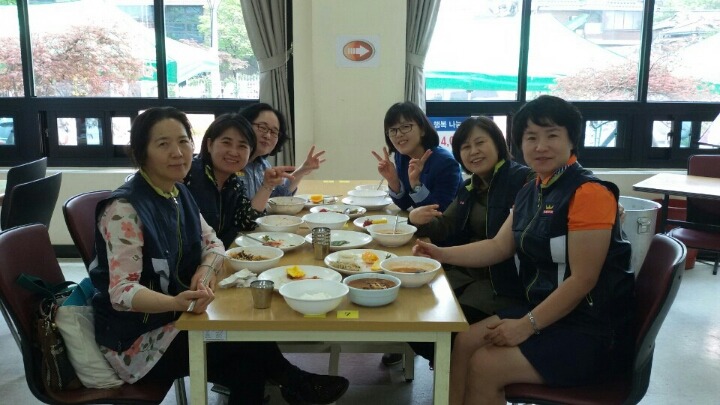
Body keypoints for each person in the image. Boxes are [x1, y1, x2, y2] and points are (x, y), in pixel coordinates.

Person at [89, 107, 348, 405]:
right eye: (163, 144)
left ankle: (296, 385)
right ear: (140, 152)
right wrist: (176, 302)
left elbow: (213, 243)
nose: (177, 153)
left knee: (247, 365)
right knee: (248, 340)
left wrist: (206, 271)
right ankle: (297, 383)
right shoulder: (125, 209)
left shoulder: (178, 193)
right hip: (137, 340)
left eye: (183, 141)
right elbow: (122, 292)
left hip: (179, 317)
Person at [413, 95, 635, 404]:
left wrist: (526, 325)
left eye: (552, 135)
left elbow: (583, 280)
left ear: (572, 140)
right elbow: (497, 246)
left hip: (589, 329)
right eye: (531, 137)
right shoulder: (532, 189)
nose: (540, 146)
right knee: (464, 341)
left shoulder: (588, 193)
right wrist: (439, 254)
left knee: (486, 364)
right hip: (547, 311)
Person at [183, 112, 293, 248]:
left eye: (242, 146)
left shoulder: (233, 183)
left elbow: (247, 222)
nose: (234, 152)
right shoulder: (189, 176)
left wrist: (267, 185)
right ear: (210, 144)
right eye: (226, 143)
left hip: (223, 254)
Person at [371, 101, 463, 212]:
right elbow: (404, 204)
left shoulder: (446, 163)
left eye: (405, 127)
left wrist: (416, 186)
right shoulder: (402, 157)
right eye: (392, 130)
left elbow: (438, 212)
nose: (398, 134)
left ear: (422, 129)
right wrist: (393, 181)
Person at [239, 103, 326, 199]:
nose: (267, 136)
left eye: (274, 132)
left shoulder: (263, 165)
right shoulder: (232, 163)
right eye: (263, 127)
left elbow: (276, 197)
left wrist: (303, 170)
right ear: (245, 125)